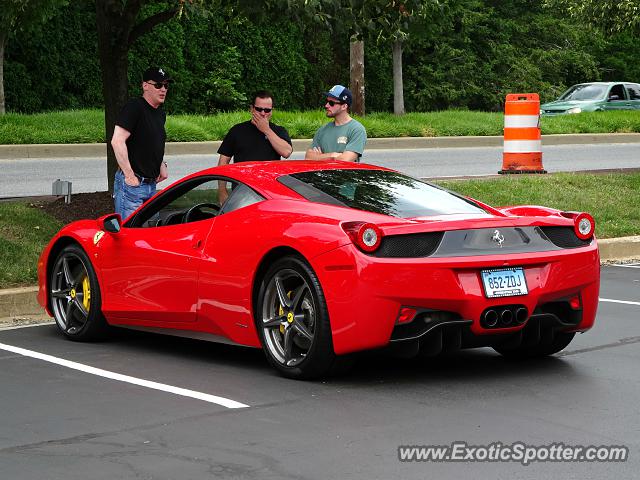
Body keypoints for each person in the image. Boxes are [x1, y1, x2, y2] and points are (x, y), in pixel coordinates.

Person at [111, 67, 171, 219]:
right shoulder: (134, 107)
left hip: (151, 186)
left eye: (166, 85)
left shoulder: (159, 113)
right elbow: (117, 141)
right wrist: (130, 176)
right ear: (145, 86)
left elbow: (150, 143)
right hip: (133, 186)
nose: (163, 89)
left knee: (148, 236)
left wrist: (161, 164)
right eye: (158, 85)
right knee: (129, 235)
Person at [217, 91, 293, 203]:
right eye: (259, 109)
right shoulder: (237, 130)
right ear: (252, 109)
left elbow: (286, 152)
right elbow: (223, 161)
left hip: (269, 193)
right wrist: (222, 191)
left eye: (267, 110)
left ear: (272, 111)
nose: (263, 113)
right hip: (241, 191)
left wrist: (266, 130)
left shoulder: (278, 131)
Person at [305, 85, 367, 162]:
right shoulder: (322, 130)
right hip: (323, 174)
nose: (326, 105)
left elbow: (345, 160)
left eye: (331, 103)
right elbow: (308, 157)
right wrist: (332, 155)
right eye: (327, 101)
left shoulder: (357, 130)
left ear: (344, 106)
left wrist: (320, 157)